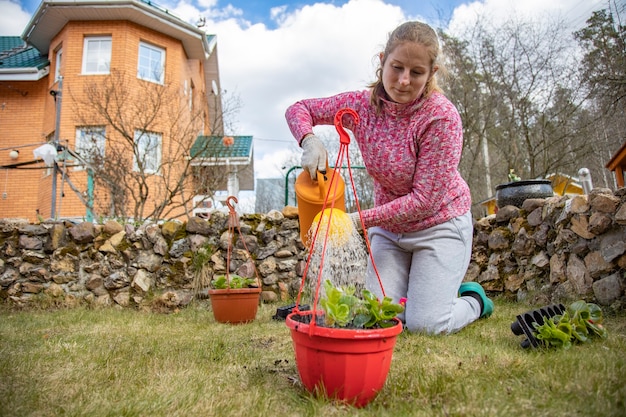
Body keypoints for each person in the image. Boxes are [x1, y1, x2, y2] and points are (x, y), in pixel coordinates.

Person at [285, 21, 494, 334]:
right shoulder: (361, 106)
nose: (404, 80)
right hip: (390, 232)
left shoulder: (441, 118)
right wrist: (309, 140)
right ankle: (416, 298)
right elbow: (300, 109)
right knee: (378, 317)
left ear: (432, 72)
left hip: (439, 225)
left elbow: (424, 202)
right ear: (382, 60)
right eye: (396, 67)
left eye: (417, 72)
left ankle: (474, 301)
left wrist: (354, 221)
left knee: (427, 325)